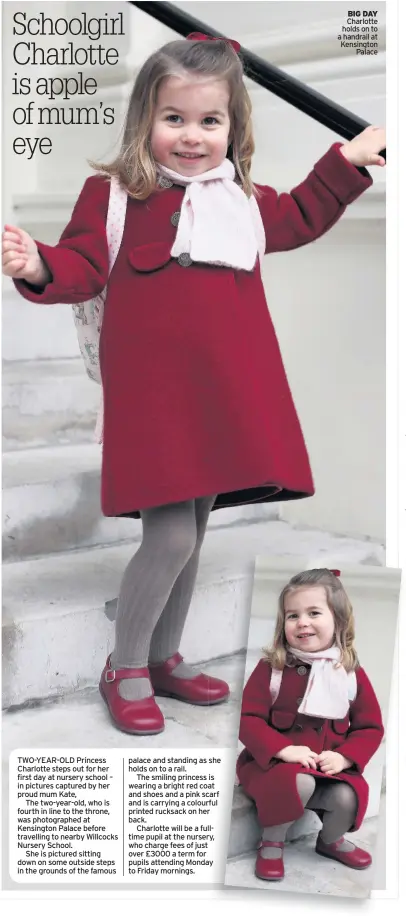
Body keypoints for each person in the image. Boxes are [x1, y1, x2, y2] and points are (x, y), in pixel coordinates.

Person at [2, 35, 386, 737]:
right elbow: (82, 265)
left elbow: (301, 213)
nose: (191, 136)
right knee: (171, 534)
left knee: (197, 530)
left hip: (222, 399)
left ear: (234, 129)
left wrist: (347, 163)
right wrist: (36, 265)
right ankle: (125, 666)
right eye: (173, 118)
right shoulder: (115, 197)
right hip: (156, 406)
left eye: (210, 122)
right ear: (144, 120)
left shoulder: (239, 200)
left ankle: (164, 654)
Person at [237, 568, 384, 881]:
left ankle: (331, 840)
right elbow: (248, 720)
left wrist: (345, 757)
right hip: (273, 769)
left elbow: (370, 727)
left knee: (348, 796)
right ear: (283, 624)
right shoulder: (273, 668)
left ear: (339, 621)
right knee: (298, 782)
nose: (302, 622)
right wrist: (284, 750)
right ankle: (272, 841)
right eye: (293, 616)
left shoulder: (349, 672)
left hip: (326, 770)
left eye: (314, 612)